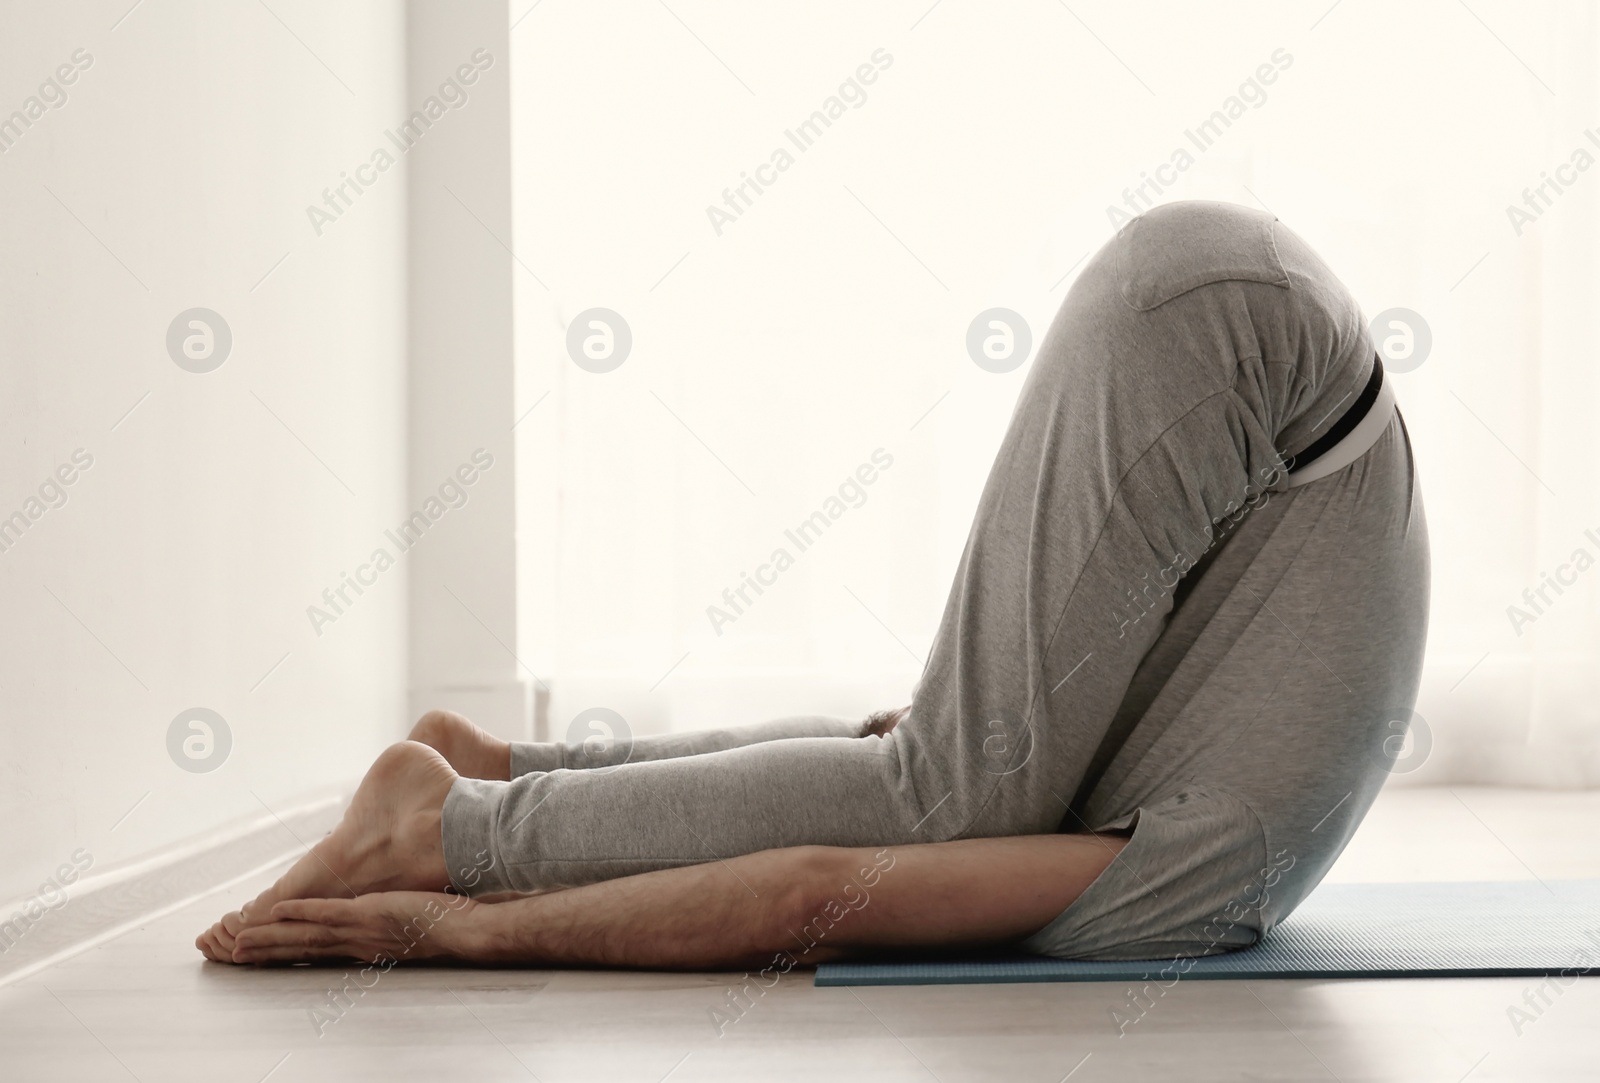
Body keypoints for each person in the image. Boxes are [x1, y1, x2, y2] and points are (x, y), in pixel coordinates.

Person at [198, 200, 1428, 970]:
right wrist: (468, 901)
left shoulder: (1193, 859)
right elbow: (826, 888)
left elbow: (831, 845)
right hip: (1245, 352)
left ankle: (487, 771)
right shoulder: (1193, 891)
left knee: (943, 769)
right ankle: (435, 819)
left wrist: (471, 920)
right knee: (952, 794)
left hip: (1251, 344)